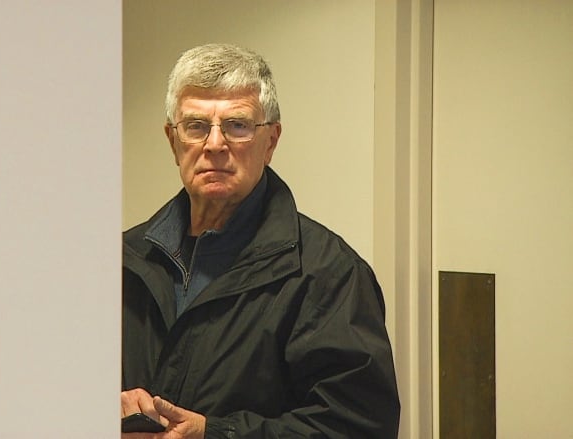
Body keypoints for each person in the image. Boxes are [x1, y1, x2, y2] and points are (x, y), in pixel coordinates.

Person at [121, 43, 400, 439]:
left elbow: (359, 427)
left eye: (237, 125)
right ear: (173, 141)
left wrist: (214, 434)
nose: (214, 144)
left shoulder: (328, 273)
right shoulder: (121, 260)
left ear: (270, 142)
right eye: (196, 126)